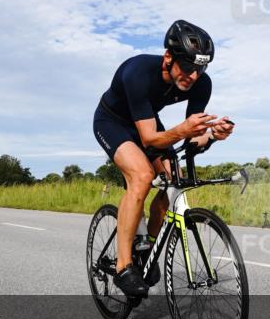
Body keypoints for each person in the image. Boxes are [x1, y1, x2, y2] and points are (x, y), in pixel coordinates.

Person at [94, 20, 234, 297]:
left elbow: (191, 139)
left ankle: (145, 247)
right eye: (187, 66)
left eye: (200, 68)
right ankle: (124, 266)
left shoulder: (200, 85)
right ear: (168, 58)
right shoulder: (138, 71)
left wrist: (211, 136)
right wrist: (182, 130)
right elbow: (148, 139)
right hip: (113, 121)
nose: (193, 76)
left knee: (173, 181)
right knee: (143, 176)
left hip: (147, 122)